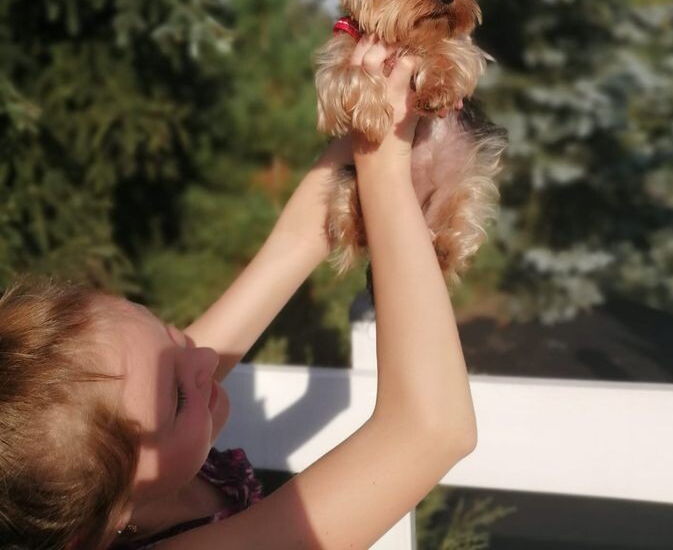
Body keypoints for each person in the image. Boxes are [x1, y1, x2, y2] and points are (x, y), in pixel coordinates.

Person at [0, 36, 477, 549]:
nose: (205, 357)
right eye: (178, 396)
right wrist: (384, 164)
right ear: (102, 520)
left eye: (168, 332)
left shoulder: (148, 396)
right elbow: (430, 430)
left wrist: (381, 101)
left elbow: (297, 243)